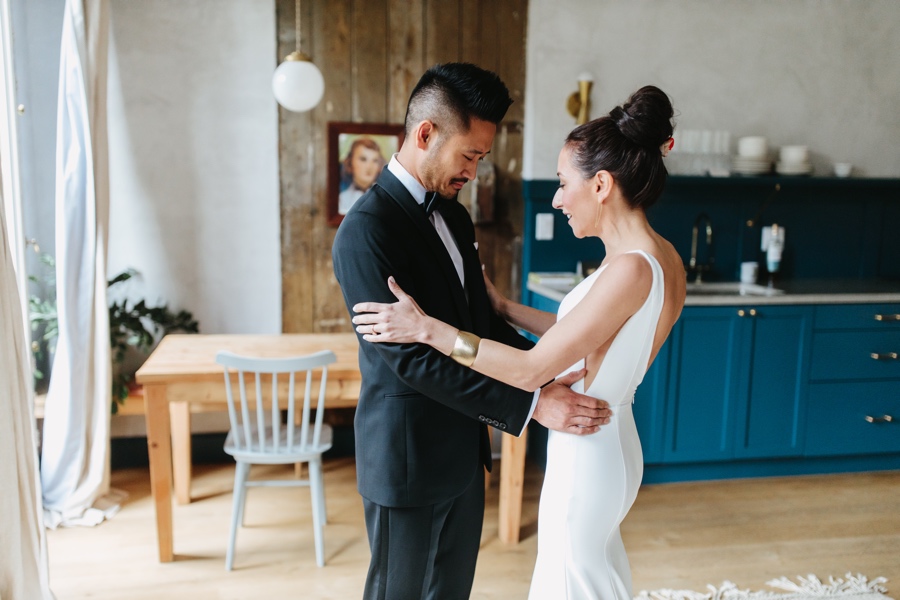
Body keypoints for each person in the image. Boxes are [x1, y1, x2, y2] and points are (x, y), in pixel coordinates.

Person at [351, 85, 687, 600]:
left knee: (573, 580)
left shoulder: (628, 269)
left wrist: (429, 328)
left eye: (561, 182)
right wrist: (500, 306)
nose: (554, 197)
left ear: (600, 185)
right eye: (472, 155)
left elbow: (535, 368)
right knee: (594, 574)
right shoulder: (663, 256)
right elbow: (590, 336)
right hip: (596, 440)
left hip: (587, 449)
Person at [338, 137, 387, 215]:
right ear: (351, 162)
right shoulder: (342, 199)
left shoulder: (386, 198)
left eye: (375, 161)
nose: (369, 167)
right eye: (363, 159)